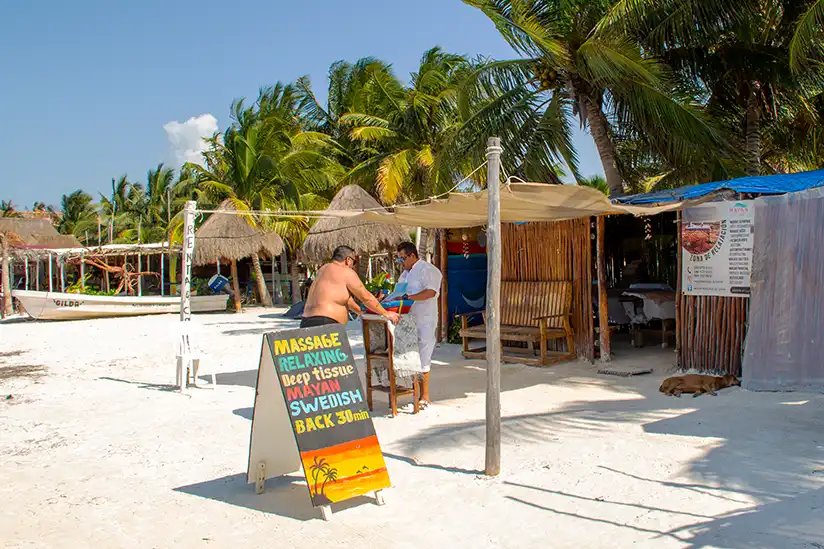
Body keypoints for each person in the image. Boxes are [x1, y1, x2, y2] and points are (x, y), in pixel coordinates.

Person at [393, 241, 443, 408]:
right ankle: (413, 392)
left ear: (412, 255)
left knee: (424, 355)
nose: (401, 263)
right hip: (408, 320)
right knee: (410, 355)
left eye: (402, 259)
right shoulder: (405, 275)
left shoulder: (429, 270)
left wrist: (409, 298)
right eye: (398, 260)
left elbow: (431, 292)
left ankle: (425, 396)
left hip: (425, 319)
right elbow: (399, 293)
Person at [301, 245, 399, 328]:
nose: (353, 265)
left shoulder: (323, 270)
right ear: (348, 260)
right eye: (354, 262)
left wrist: (360, 311)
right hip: (326, 324)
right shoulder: (345, 271)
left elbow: (344, 299)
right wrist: (385, 313)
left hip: (306, 322)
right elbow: (365, 297)